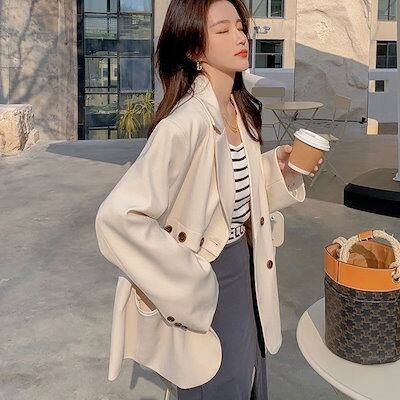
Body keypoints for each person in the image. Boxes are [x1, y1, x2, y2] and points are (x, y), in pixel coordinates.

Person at [95, 1, 323, 399]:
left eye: (240, 26)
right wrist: (192, 278)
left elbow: (226, 192)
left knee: (249, 376)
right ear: (193, 49)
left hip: (245, 265)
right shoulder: (184, 124)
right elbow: (117, 217)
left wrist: (279, 170)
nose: (240, 37)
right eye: (222, 30)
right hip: (208, 277)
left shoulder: (239, 109)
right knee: (218, 381)